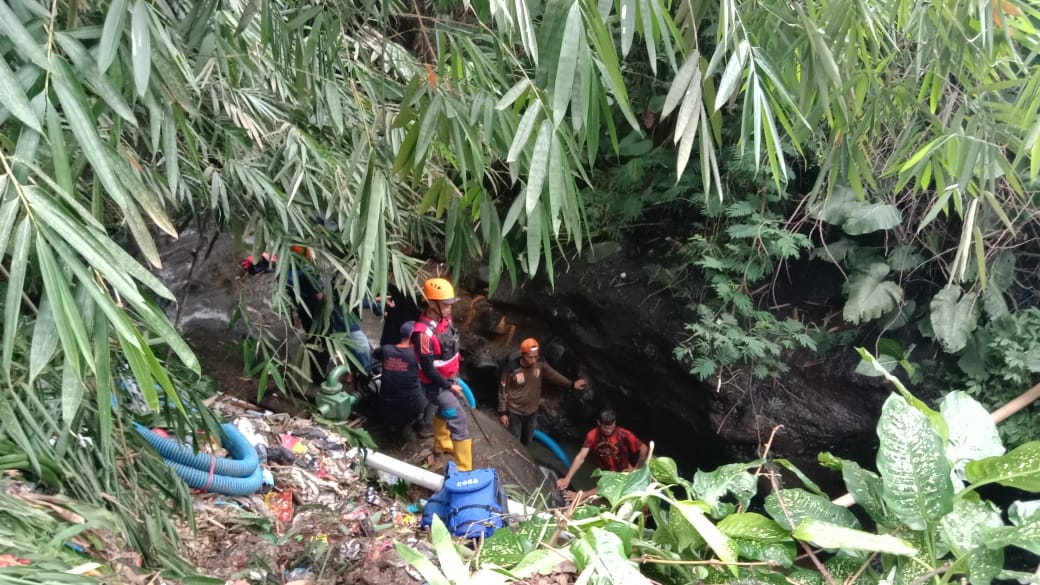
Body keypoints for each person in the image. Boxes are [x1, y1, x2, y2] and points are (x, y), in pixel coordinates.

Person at [411, 277, 471, 470]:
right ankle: (464, 468)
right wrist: (448, 385)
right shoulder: (422, 335)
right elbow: (428, 369)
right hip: (436, 385)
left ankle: (441, 443)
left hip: (451, 376)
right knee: (459, 420)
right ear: (431, 304)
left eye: (450, 304)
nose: (449, 309)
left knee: (444, 412)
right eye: (445, 305)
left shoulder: (445, 320)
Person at [498, 338, 587, 446]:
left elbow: (553, 375)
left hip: (532, 411)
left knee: (527, 440)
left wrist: (571, 384)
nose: (534, 360)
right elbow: (503, 391)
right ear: (523, 354)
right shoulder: (511, 368)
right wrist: (503, 413)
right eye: (531, 357)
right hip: (515, 411)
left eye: (536, 356)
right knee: (515, 441)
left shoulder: (540, 363)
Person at [555, 410, 648, 500]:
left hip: (622, 471)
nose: (608, 431)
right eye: (605, 428)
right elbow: (581, 457)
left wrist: (637, 469)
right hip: (605, 469)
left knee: (610, 484)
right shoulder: (593, 435)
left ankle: (582, 495)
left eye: (611, 427)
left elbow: (644, 448)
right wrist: (567, 478)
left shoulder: (624, 435)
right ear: (599, 423)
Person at [373, 321, 427, 438]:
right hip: (411, 407)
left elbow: (376, 353)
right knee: (433, 389)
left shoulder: (386, 349)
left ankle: (393, 424)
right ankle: (422, 425)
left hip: (386, 403)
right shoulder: (417, 355)